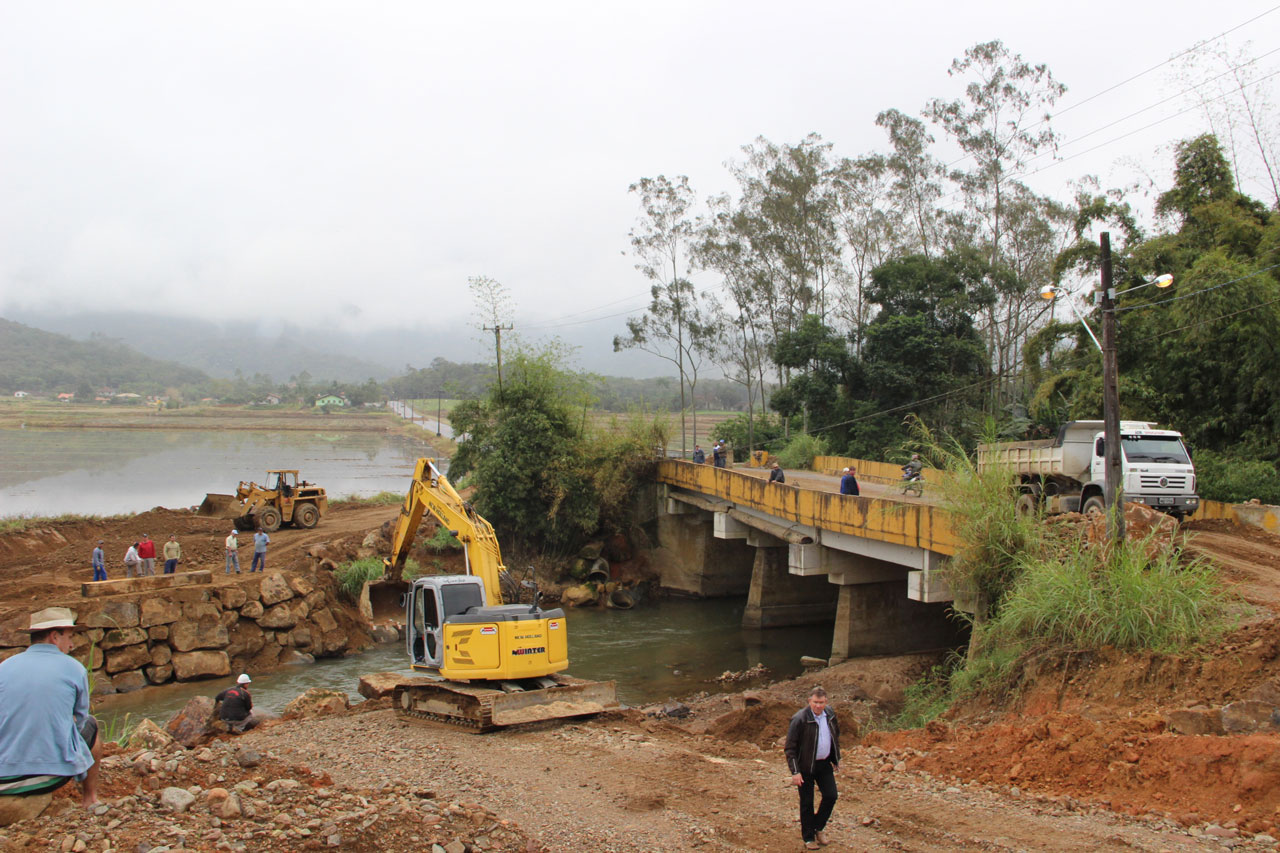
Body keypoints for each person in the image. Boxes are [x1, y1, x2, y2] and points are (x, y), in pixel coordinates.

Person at [0, 607, 101, 808]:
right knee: (92, 724)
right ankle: (90, 798)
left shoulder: (4, 667)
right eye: (70, 637)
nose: (71, 645)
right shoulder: (73, 668)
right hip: (47, 777)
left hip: (3, 777)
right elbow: (81, 722)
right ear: (55, 636)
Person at [785, 686, 841, 849]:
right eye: (815, 702)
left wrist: (836, 758)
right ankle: (809, 838)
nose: (818, 706)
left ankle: (817, 827)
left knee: (831, 796)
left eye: (821, 702)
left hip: (824, 764)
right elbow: (790, 748)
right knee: (807, 802)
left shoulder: (829, 714)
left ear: (826, 702)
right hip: (805, 767)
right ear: (810, 701)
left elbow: (835, 736)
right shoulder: (800, 719)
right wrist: (795, 772)